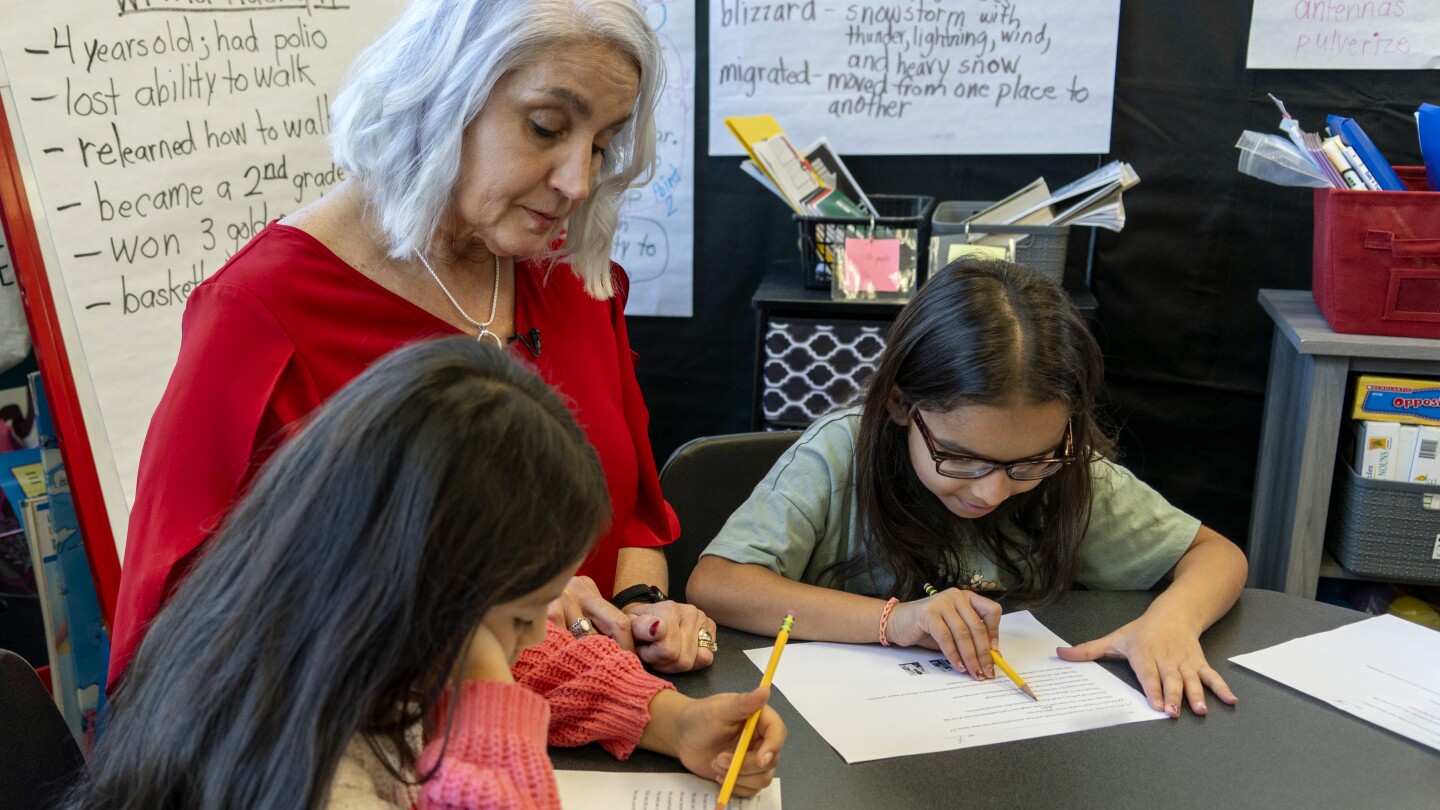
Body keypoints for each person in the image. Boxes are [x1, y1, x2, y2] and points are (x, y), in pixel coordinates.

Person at [109, 0, 714, 686]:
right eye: (546, 127)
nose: (577, 182)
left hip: (607, 730)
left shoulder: (571, 283)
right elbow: (186, 632)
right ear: (439, 95)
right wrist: (492, 611)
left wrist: (643, 609)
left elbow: (630, 519)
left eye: (602, 144)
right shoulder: (261, 315)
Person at [66, 339, 784, 810]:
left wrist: (675, 718)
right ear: (435, 594)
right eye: (524, 612)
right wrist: (496, 706)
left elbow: (548, 665)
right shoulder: (322, 779)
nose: (542, 631)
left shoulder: (308, 623)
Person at [687, 258, 1249, 718]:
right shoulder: (838, 455)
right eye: (960, 459)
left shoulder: (1070, 469)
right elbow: (717, 584)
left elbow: (1215, 555)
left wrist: (1171, 621)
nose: (992, 492)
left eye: (1029, 463)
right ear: (901, 405)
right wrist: (896, 620)